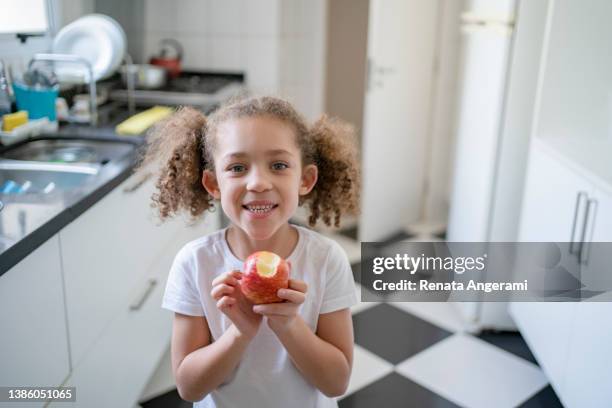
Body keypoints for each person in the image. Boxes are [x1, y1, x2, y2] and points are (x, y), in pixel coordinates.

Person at [139, 95, 361, 408]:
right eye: (238, 167)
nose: (257, 182)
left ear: (306, 179)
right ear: (213, 184)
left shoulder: (326, 259)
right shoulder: (195, 263)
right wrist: (239, 333)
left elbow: (336, 382)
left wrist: (288, 324)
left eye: (279, 165)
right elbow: (189, 388)